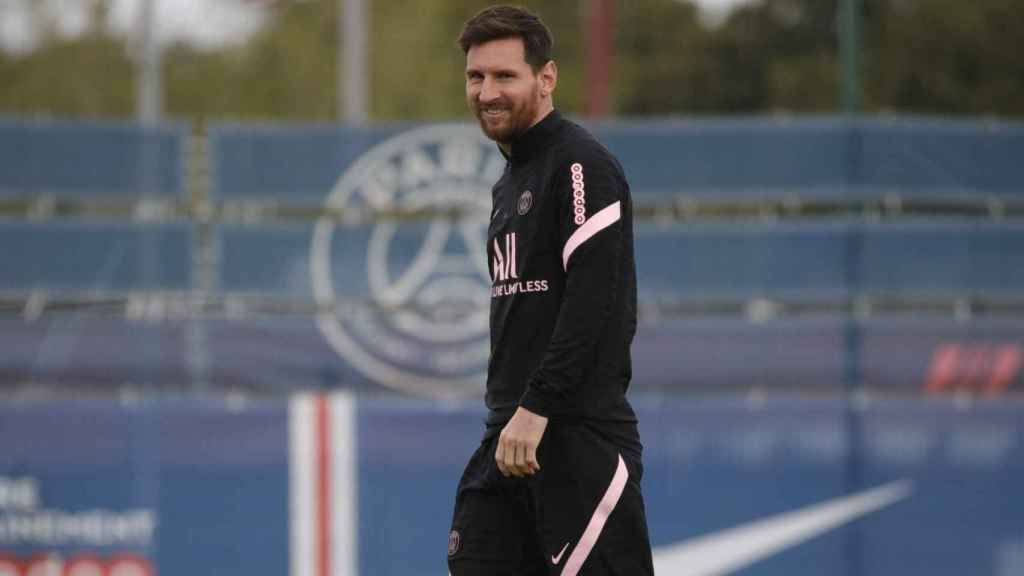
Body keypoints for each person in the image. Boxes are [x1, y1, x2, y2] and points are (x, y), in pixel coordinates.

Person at [447, 6, 654, 576]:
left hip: (575, 441)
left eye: (504, 76)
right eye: (475, 77)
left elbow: (599, 301)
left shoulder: (581, 164)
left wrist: (537, 408)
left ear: (546, 78)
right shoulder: (507, 183)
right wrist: (516, 416)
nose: (487, 91)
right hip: (507, 439)